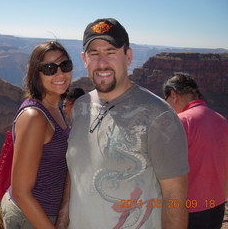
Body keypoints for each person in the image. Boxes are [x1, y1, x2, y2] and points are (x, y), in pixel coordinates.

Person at [56, 18, 189, 229]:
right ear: (84, 59)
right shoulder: (80, 107)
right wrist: (62, 220)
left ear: (128, 56)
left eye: (111, 52)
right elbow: (76, 172)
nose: (102, 63)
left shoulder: (159, 116)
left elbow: (175, 197)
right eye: (94, 54)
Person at [1, 41, 72, 229]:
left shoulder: (56, 108)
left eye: (65, 66)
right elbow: (20, 192)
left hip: (45, 214)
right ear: (36, 74)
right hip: (31, 218)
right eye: (49, 68)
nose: (60, 74)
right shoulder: (35, 117)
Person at [163, 72, 228, 229]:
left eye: (167, 101)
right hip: (217, 205)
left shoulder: (182, 121)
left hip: (189, 208)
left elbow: (164, 167)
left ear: (173, 95)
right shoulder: (221, 119)